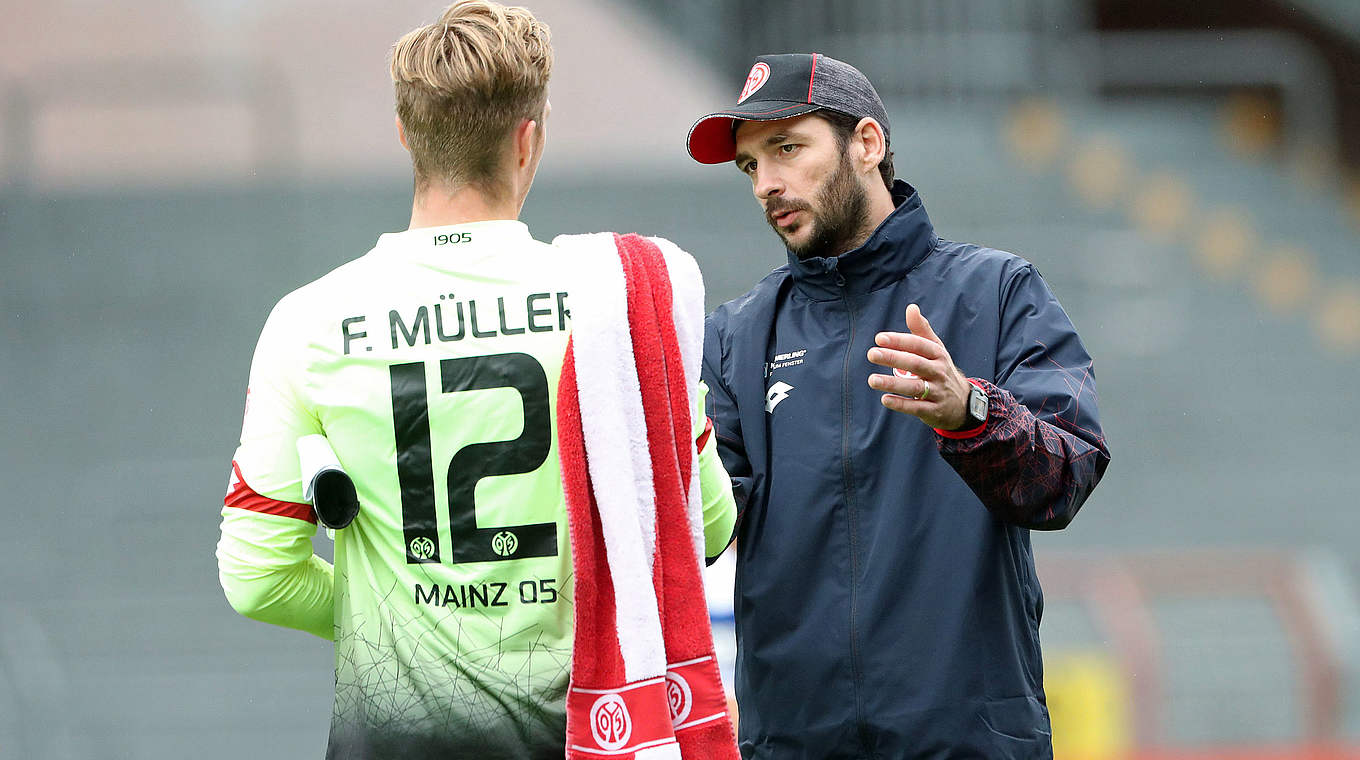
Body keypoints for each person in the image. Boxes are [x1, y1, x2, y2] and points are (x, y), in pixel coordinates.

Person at [215, 3, 737, 758]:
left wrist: (399, 621)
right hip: (590, 734)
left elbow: (257, 577)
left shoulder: (309, 321)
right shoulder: (619, 302)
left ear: (406, 135)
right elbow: (708, 527)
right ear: (530, 138)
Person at [687, 53, 1111, 758]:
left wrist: (972, 413)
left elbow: (1067, 478)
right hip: (793, 744)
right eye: (750, 166)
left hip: (967, 741)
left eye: (788, 149)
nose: (768, 183)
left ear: (868, 144)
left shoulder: (998, 292)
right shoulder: (734, 336)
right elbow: (701, 529)